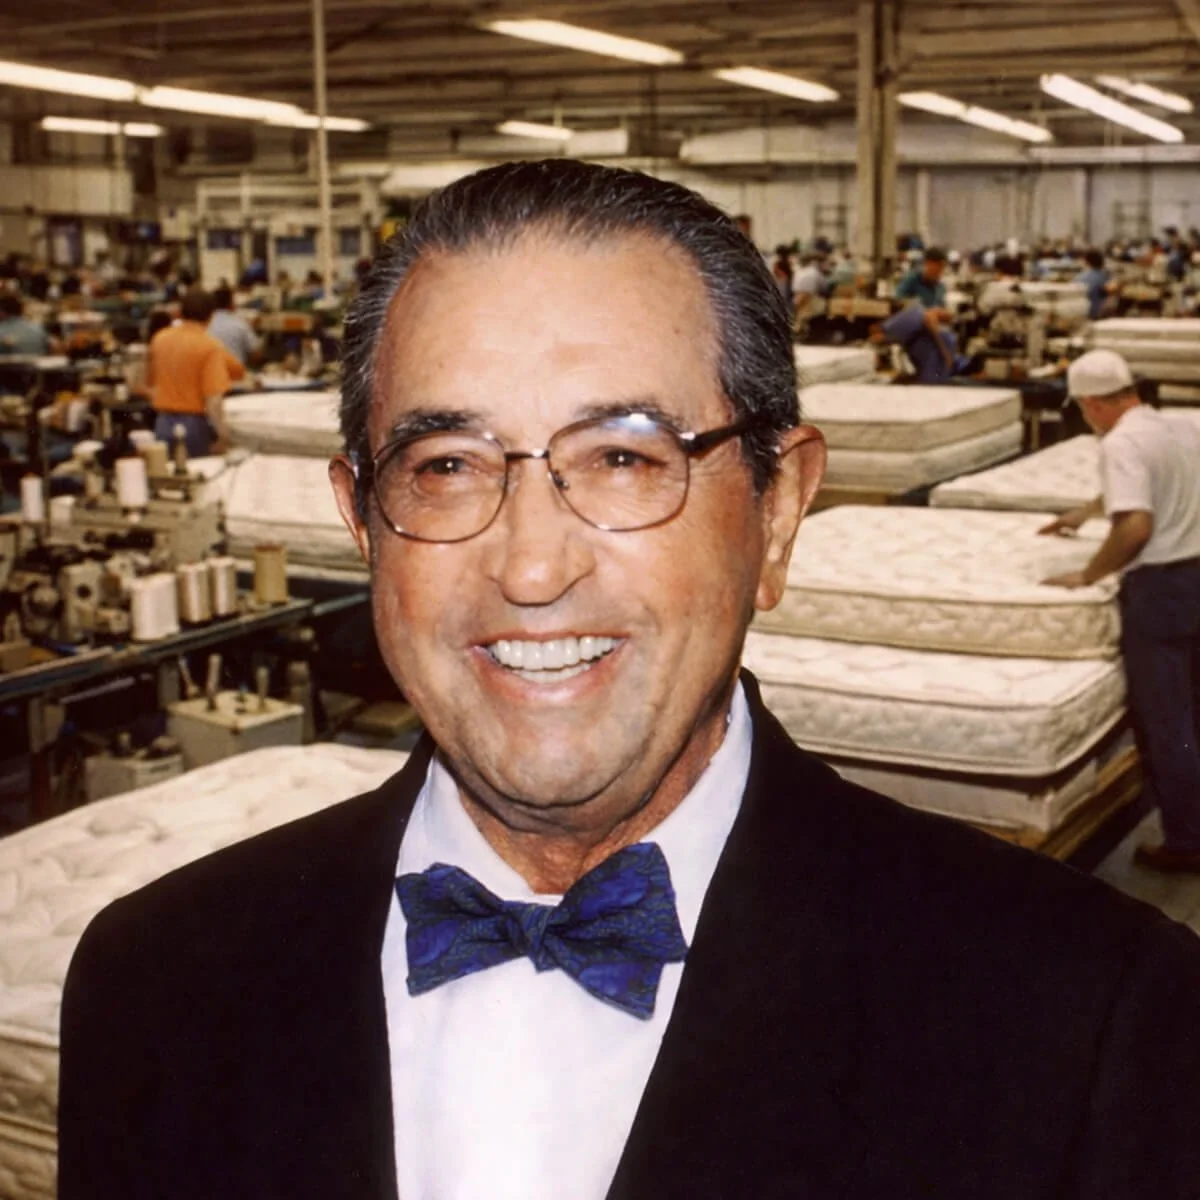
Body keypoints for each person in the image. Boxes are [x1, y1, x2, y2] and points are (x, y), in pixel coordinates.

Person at [60, 161, 1200, 1199]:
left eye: (623, 457)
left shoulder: (1085, 1016)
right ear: (363, 523)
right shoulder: (157, 982)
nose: (533, 565)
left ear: (779, 512)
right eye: (447, 467)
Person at [1042, 349, 1200, 874]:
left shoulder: (1121, 443)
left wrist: (1087, 575)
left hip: (1163, 589)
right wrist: (1081, 513)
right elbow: (1146, 485)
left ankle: (1185, 843)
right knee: (1195, 713)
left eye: (1083, 411)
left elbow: (1135, 526)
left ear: (1092, 404)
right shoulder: (1177, 425)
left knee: (1167, 722)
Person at [143, 288, 244, 457]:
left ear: (179, 313)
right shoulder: (209, 346)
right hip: (193, 426)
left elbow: (149, 384)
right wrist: (223, 436)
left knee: (166, 476)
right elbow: (213, 401)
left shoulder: (159, 339)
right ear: (210, 316)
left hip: (162, 423)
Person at [207, 285, 261, 366]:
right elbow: (256, 354)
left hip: (211, 373)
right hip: (235, 374)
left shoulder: (204, 325)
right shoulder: (240, 324)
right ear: (231, 304)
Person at [894, 244, 950, 316]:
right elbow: (898, 299)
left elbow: (941, 308)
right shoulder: (912, 280)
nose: (941, 270)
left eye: (943, 267)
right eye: (938, 265)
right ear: (928, 263)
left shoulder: (940, 287)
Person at [0, 291, 50, 356]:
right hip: (36, 364)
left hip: (9, 365)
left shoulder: (2, 330)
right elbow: (48, 347)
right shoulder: (37, 328)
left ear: (2, 312)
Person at [1075, 248, 1112, 321]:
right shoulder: (1104, 276)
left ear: (1086, 261)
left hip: (1081, 313)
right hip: (1096, 313)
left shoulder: (1078, 277)